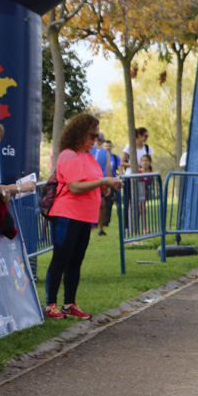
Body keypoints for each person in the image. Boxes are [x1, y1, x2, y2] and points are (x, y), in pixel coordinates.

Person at [45, 113, 123, 319]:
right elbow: (75, 187)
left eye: (97, 135)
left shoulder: (89, 156)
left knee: (76, 261)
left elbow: (94, 183)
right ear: (80, 133)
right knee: (61, 259)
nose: (95, 138)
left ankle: (69, 303)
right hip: (67, 215)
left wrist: (105, 187)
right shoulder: (69, 155)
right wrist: (102, 182)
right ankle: (50, 304)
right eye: (92, 134)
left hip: (84, 217)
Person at [97, 140, 120, 236]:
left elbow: (118, 167)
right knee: (101, 204)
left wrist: (119, 179)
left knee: (108, 204)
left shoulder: (114, 157)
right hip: (100, 182)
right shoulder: (99, 155)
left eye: (109, 146)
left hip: (110, 183)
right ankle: (98, 225)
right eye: (106, 146)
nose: (108, 147)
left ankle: (103, 226)